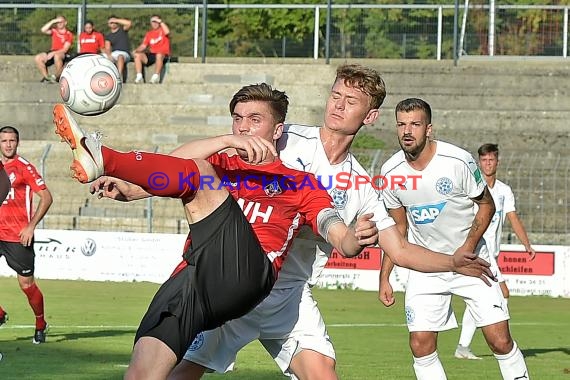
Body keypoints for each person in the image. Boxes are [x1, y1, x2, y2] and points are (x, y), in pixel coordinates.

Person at [167, 66, 494, 380]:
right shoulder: (284, 138)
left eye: (350, 101)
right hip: (232, 282)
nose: (338, 105)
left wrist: (452, 262)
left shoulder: (361, 186)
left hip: (288, 296)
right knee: (181, 373)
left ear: (370, 116)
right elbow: (202, 160)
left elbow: (402, 250)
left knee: (323, 374)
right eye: (335, 95)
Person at [52, 83, 380, 379]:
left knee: (199, 172)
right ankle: (104, 160)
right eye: (237, 119)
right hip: (194, 280)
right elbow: (174, 164)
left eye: (254, 119)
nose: (243, 127)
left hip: (250, 276)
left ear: (278, 130)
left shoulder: (298, 182)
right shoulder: (223, 168)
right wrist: (221, 143)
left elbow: (332, 228)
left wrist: (352, 239)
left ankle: (104, 156)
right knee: (143, 373)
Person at [378, 98, 530, 380]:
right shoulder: (389, 173)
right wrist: (384, 276)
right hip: (427, 266)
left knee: (499, 340)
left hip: (472, 261)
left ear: (429, 129)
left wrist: (467, 250)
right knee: (420, 345)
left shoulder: (457, 160)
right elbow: (397, 230)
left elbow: (488, 205)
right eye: (401, 124)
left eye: (415, 124)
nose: (407, 131)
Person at [455, 143, 536, 360]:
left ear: (497, 162)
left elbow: (513, 218)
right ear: (479, 162)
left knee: (478, 297)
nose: (487, 163)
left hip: (493, 253)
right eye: (484, 160)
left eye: (491, 160)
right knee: (503, 293)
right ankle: (501, 343)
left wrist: (526, 244)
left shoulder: (503, 191)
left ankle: (464, 346)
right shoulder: (474, 188)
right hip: (480, 253)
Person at [0, 126, 53, 343]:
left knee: (26, 285)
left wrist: (31, 226)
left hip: (17, 237)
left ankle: (40, 323)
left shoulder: (24, 168)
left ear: (18, 142)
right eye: (4, 141)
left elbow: (46, 197)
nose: (8, 144)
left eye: (12, 140)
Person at [34, 15, 74, 83]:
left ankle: (58, 77)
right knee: (38, 58)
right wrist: (53, 21)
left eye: (61, 21)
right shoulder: (54, 31)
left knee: (57, 56)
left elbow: (65, 49)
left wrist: (53, 53)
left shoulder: (68, 34)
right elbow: (43, 30)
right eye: (57, 22)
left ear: (65, 22)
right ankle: (47, 77)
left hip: (62, 53)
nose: (59, 23)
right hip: (52, 51)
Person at [132, 15, 170, 84]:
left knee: (159, 55)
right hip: (152, 54)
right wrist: (136, 50)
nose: (154, 24)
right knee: (137, 55)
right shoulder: (149, 34)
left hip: (163, 54)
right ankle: (139, 76)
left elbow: (167, 32)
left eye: (156, 22)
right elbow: (143, 45)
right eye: (153, 22)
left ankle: (155, 76)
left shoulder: (163, 30)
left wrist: (160, 22)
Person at [104, 15, 132, 81]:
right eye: (111, 23)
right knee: (103, 57)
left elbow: (129, 23)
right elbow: (107, 47)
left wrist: (116, 20)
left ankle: (119, 76)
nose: (113, 24)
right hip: (114, 53)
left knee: (120, 56)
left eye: (114, 22)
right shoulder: (108, 36)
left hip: (124, 53)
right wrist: (109, 55)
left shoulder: (123, 30)